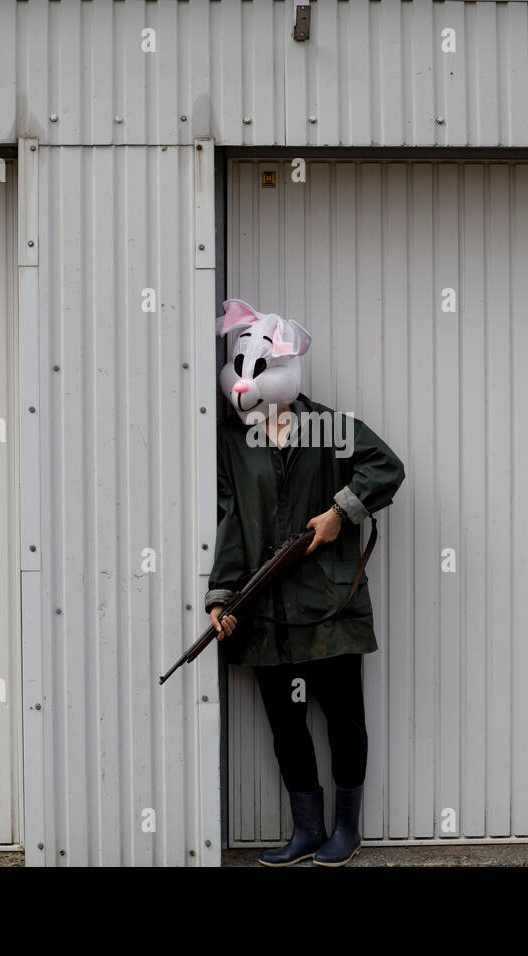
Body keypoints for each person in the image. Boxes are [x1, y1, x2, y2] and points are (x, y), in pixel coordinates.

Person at [204, 299, 406, 866]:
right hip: (266, 609)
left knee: (345, 720)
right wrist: (222, 596)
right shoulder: (233, 442)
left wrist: (342, 511)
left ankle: (347, 830)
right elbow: (231, 522)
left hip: (331, 604)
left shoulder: (329, 427)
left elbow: (386, 467)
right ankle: (306, 831)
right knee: (287, 727)